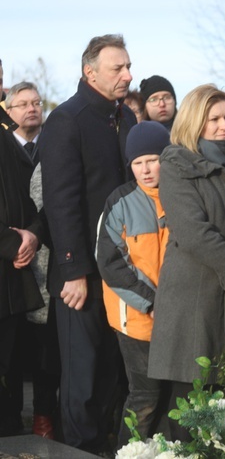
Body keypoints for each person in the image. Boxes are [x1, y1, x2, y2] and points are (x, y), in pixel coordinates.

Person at [38, 33, 136, 454]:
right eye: (118, 68)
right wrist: (74, 270)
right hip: (81, 275)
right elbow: (61, 202)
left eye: (129, 66)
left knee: (113, 372)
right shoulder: (66, 120)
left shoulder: (127, 119)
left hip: (125, 268)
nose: (128, 75)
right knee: (82, 376)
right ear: (90, 72)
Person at [147, 84, 225, 441]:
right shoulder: (176, 164)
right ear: (195, 122)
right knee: (191, 406)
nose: (224, 126)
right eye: (214, 119)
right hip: (193, 298)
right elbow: (194, 233)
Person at [97, 121, 171, 448]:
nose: (145, 169)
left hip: (176, 316)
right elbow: (111, 263)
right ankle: (127, 453)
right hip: (136, 316)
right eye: (137, 163)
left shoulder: (180, 196)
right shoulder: (119, 202)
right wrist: (150, 302)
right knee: (145, 394)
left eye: (152, 159)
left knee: (172, 395)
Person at [5, 81, 59, 440]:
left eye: (36, 102)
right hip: (9, 261)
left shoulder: (53, 149)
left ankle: (43, 416)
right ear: (8, 113)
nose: (31, 109)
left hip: (44, 255)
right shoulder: (6, 147)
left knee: (45, 346)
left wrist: (35, 234)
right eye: (22, 103)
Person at [0, 110, 44, 438]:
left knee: (11, 368)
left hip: (12, 282)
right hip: (8, 256)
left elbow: (27, 200)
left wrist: (32, 234)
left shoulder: (7, 135)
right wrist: (12, 243)